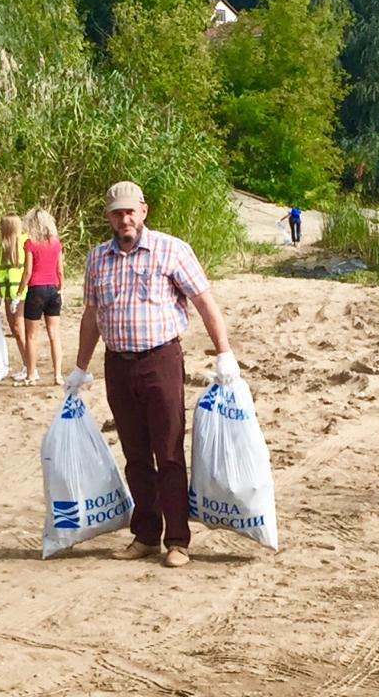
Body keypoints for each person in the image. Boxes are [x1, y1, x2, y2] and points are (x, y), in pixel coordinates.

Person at [65, 181, 241, 569]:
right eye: (116, 212)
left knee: (169, 452)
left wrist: (224, 353)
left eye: (130, 211)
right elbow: (92, 316)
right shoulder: (97, 259)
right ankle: (145, 535)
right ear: (108, 216)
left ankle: (177, 540)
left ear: (144, 211)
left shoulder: (171, 249)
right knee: (135, 454)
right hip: (118, 364)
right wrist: (80, 367)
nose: (124, 218)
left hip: (161, 360)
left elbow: (203, 301)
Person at [14, 207, 64, 386]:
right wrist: (61, 289)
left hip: (36, 289)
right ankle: (58, 375)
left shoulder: (30, 244)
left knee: (31, 336)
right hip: (53, 289)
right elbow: (59, 270)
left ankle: (32, 373)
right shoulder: (56, 243)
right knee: (54, 334)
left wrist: (19, 293)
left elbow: (27, 272)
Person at [0, 213, 29, 382]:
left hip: (20, 293)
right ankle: (27, 364)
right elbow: (2, 273)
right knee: (16, 330)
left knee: (19, 329)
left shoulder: (25, 243)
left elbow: (27, 270)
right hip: (9, 292)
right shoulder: (6, 246)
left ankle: (29, 366)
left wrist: (17, 294)